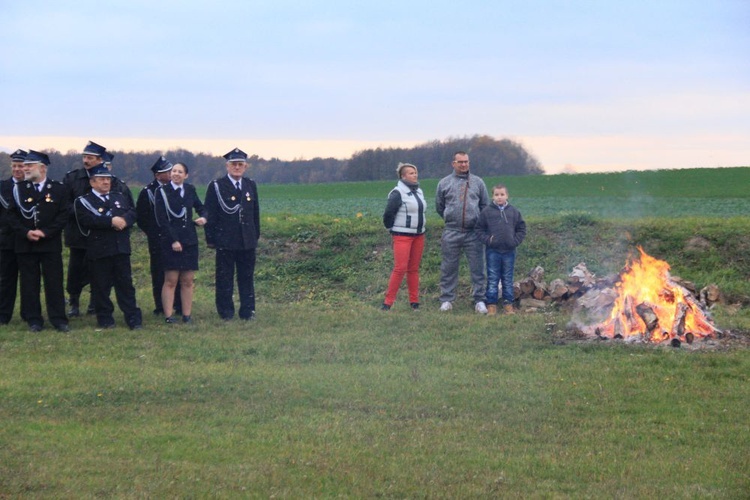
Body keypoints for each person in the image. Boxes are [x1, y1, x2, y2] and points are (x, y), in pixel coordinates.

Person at [63, 140, 133, 317]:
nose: (86, 161)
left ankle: (96, 303)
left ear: (100, 160)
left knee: (101, 273)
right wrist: (83, 213)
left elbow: (125, 205)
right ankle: (74, 301)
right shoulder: (72, 178)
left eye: (90, 158)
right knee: (76, 270)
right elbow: (64, 204)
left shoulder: (113, 182)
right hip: (79, 234)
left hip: (105, 237)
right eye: (84, 157)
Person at [7, 151, 69, 332]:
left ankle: (58, 319)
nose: (24, 169)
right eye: (24, 166)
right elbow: (11, 216)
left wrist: (45, 232)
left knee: (54, 282)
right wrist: (26, 232)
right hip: (25, 244)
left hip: (49, 244)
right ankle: (34, 319)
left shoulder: (59, 189)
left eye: (29, 165)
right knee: (29, 283)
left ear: (42, 168)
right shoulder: (18, 189)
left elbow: (63, 215)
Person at [73, 164, 142, 330]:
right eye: (101, 179)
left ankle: (133, 318)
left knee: (125, 285)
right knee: (101, 286)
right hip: (100, 250)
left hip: (120, 249)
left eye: (107, 179)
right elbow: (86, 220)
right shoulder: (84, 201)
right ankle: (105, 318)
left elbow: (132, 212)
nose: (106, 182)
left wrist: (125, 220)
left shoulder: (119, 197)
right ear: (92, 182)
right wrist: (110, 221)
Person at [204, 148, 260, 321]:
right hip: (226, 240)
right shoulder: (217, 186)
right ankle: (226, 312)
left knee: (246, 277)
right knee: (224, 278)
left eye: (240, 164)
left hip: (246, 241)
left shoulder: (250, 185)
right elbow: (210, 214)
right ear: (227, 166)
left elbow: (254, 213)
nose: (237, 167)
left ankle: (247, 311)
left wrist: (255, 235)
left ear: (246, 166)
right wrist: (211, 239)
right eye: (234, 164)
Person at [435, 151, 490, 313]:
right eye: (460, 162)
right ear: (454, 164)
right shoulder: (444, 183)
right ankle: (446, 300)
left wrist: (478, 222)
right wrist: (451, 217)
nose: (464, 164)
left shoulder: (478, 182)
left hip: (474, 233)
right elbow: (440, 206)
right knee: (448, 267)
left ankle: (479, 300)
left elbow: (484, 205)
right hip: (451, 231)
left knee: (478, 268)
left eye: (466, 161)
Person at [154, 162, 206, 324]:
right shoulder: (161, 192)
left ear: (186, 175)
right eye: (174, 171)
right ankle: (169, 316)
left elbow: (200, 207)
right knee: (171, 280)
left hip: (189, 239)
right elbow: (162, 219)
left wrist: (204, 217)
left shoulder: (190, 190)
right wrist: (174, 240)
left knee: (188, 280)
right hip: (171, 241)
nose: (176, 174)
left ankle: (186, 315)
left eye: (180, 172)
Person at [136, 156, 180, 315]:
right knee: (159, 273)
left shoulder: (176, 188)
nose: (171, 174)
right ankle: (161, 306)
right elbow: (141, 218)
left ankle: (178, 304)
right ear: (157, 175)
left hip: (176, 237)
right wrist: (155, 234)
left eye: (171, 171)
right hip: (158, 239)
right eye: (167, 172)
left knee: (177, 271)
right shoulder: (148, 192)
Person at [381, 162, 426, 311]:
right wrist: (391, 229)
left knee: (413, 269)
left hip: (419, 235)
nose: (415, 175)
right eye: (411, 173)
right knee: (400, 268)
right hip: (402, 236)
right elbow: (388, 213)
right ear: (403, 176)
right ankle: (388, 303)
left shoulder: (419, 191)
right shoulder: (397, 193)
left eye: (415, 172)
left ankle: (414, 302)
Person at [475, 184, 526, 315]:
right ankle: (491, 304)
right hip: (493, 251)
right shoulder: (487, 212)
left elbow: (521, 228)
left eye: (502, 194)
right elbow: (479, 229)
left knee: (507, 278)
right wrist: (488, 240)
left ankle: (508, 303)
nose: (499, 197)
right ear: (493, 196)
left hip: (509, 251)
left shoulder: (513, 212)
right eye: (496, 195)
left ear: (507, 196)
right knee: (492, 278)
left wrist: (515, 241)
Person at [0, 149, 27, 324]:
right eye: (15, 165)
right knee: (5, 280)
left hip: (27, 241)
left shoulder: (31, 187)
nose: (17, 169)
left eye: (21, 166)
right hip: (6, 241)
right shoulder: (2, 187)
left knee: (28, 281)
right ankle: (3, 315)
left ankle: (29, 314)